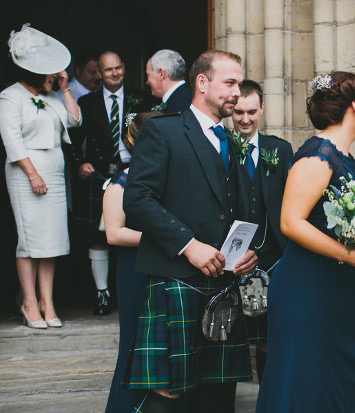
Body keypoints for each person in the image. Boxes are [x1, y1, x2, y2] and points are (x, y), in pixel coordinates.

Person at [122, 50, 257, 413]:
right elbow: (136, 200)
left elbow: (236, 207)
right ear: (202, 83)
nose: (236, 93)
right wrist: (187, 244)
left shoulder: (230, 140)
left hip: (223, 286)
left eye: (239, 84)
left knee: (218, 395)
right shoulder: (163, 130)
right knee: (170, 395)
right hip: (177, 281)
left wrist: (247, 250)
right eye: (229, 83)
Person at [256, 72, 355, 412]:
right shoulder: (317, 154)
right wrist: (351, 256)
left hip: (336, 286)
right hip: (308, 287)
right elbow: (290, 222)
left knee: (336, 379)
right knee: (307, 383)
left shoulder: (345, 158)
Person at [0, 24, 81, 328]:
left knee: (53, 240)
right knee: (30, 241)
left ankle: (48, 302)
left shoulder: (55, 96)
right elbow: (11, 139)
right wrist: (32, 175)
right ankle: (29, 302)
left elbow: (75, 120)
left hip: (55, 174)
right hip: (26, 173)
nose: (54, 76)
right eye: (51, 74)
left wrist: (64, 87)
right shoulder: (11, 97)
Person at [69, 50, 151, 316]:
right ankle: (101, 293)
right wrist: (78, 163)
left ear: (124, 67)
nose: (114, 73)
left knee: (131, 230)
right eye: (108, 70)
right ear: (99, 73)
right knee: (98, 236)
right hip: (100, 175)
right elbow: (72, 138)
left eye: (118, 68)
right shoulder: (88, 102)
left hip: (134, 172)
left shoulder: (141, 97)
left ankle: (128, 291)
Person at [231, 79, 294, 381]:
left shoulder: (279, 150)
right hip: (233, 257)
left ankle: (266, 396)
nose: (245, 119)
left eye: (252, 112)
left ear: (262, 109)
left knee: (271, 333)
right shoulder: (221, 148)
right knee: (233, 333)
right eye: (239, 112)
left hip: (275, 255)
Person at [102, 111, 158, 413]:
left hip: (164, 267)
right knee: (135, 344)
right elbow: (114, 233)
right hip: (135, 269)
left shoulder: (164, 175)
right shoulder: (119, 183)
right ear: (132, 139)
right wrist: (165, 240)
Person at [146, 49, 192, 113]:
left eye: (148, 75)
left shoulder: (178, 106)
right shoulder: (188, 96)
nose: (147, 82)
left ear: (161, 74)